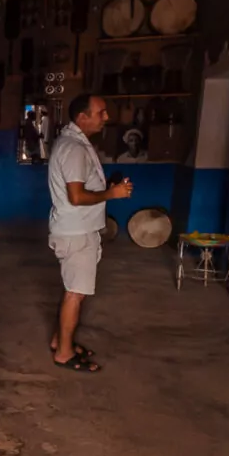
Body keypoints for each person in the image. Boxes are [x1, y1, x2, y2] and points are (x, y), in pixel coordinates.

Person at [47, 94, 132, 372]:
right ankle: (64, 353)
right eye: (101, 112)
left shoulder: (75, 144)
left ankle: (61, 340)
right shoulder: (74, 148)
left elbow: (81, 188)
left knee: (74, 287)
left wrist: (106, 187)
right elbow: (76, 196)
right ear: (82, 117)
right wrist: (113, 193)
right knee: (76, 292)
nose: (106, 117)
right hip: (76, 232)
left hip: (77, 229)